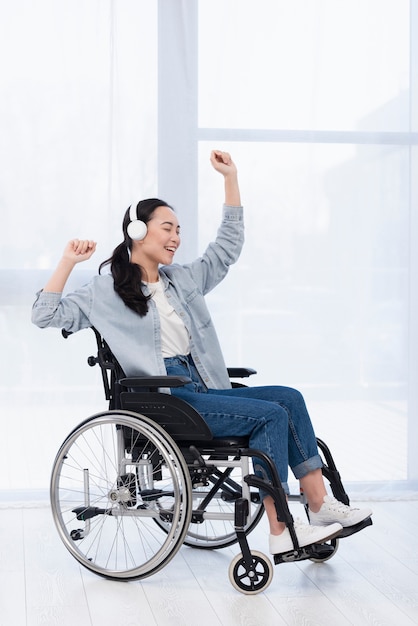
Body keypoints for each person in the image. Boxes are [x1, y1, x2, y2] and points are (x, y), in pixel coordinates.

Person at [32, 150, 372, 555]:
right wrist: (68, 261)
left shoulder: (183, 279)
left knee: (288, 397)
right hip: (165, 399)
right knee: (271, 414)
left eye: (179, 229)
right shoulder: (105, 292)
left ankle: (318, 505)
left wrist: (231, 178)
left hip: (201, 387)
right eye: (167, 228)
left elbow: (227, 248)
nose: (176, 237)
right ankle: (281, 529)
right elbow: (44, 314)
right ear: (137, 231)